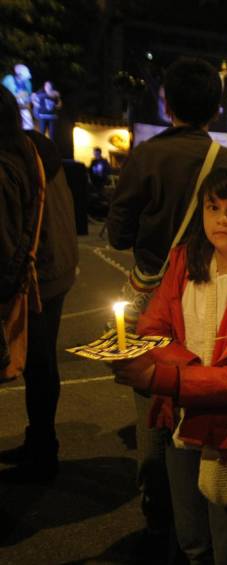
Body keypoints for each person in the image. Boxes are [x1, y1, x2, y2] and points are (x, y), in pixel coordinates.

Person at [113, 167, 227, 563]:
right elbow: (152, 327)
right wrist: (190, 373)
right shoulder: (184, 260)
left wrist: (169, 376)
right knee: (191, 534)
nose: (221, 219)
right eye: (213, 207)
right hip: (180, 416)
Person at [107, 56, 227, 541]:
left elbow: (118, 234)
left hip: (152, 293)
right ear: (216, 106)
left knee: (155, 390)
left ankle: (161, 499)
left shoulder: (147, 156)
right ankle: (210, 503)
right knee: (209, 384)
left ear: (166, 102)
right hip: (216, 292)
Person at [0, 87, 78, 484]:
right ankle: (41, 444)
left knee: (33, 364)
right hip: (55, 268)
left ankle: (43, 450)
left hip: (33, 277)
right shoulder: (37, 147)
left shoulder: (5, 162)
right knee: (41, 364)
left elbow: (4, 243)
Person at [2, 64, 34, 130]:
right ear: (18, 74)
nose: (25, 78)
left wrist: (31, 99)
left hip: (24, 110)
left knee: (28, 128)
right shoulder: (8, 80)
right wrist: (17, 96)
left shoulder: (28, 83)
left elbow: (29, 97)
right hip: (10, 110)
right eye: (24, 76)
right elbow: (3, 94)